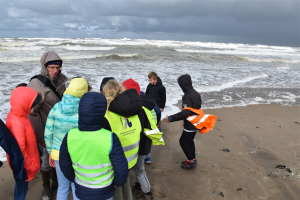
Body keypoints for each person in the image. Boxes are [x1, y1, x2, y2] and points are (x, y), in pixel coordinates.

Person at [59, 92, 128, 200]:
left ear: (80, 110)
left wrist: (74, 179)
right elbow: (121, 168)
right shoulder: (110, 137)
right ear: (102, 112)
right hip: (105, 191)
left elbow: (64, 164)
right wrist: (117, 183)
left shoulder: (70, 136)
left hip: (81, 189)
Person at [27, 51, 68, 200]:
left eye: (57, 67)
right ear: (45, 67)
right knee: (46, 159)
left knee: (59, 157)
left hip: (62, 128)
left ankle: (57, 183)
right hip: (46, 129)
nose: (55, 71)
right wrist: (41, 137)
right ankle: (46, 187)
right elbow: (33, 113)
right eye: (51, 67)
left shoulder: (62, 80)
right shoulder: (36, 84)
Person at [44, 78, 89, 200]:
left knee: (63, 187)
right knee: (77, 185)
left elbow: (48, 133)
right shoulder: (84, 110)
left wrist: (50, 152)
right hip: (79, 154)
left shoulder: (56, 107)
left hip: (58, 154)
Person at [123, 79, 165, 200]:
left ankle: (147, 193)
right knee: (138, 169)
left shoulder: (137, 109)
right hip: (145, 141)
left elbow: (136, 130)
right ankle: (139, 185)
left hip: (140, 145)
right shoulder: (147, 103)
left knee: (140, 170)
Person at [102, 79, 144, 200]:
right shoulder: (136, 111)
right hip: (132, 158)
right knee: (126, 182)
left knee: (116, 189)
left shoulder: (107, 116)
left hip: (116, 162)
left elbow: (105, 143)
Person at [5, 87, 42, 199]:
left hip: (24, 161)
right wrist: (31, 165)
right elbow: (19, 151)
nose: (34, 106)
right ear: (24, 103)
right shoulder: (18, 122)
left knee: (21, 185)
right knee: (22, 187)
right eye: (32, 103)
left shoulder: (16, 114)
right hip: (24, 165)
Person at [163, 74, 201, 170]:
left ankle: (191, 161)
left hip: (190, 124)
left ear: (182, 86)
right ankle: (193, 158)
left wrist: (170, 118)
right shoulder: (196, 93)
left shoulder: (187, 96)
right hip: (197, 122)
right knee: (190, 140)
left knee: (183, 141)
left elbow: (185, 113)